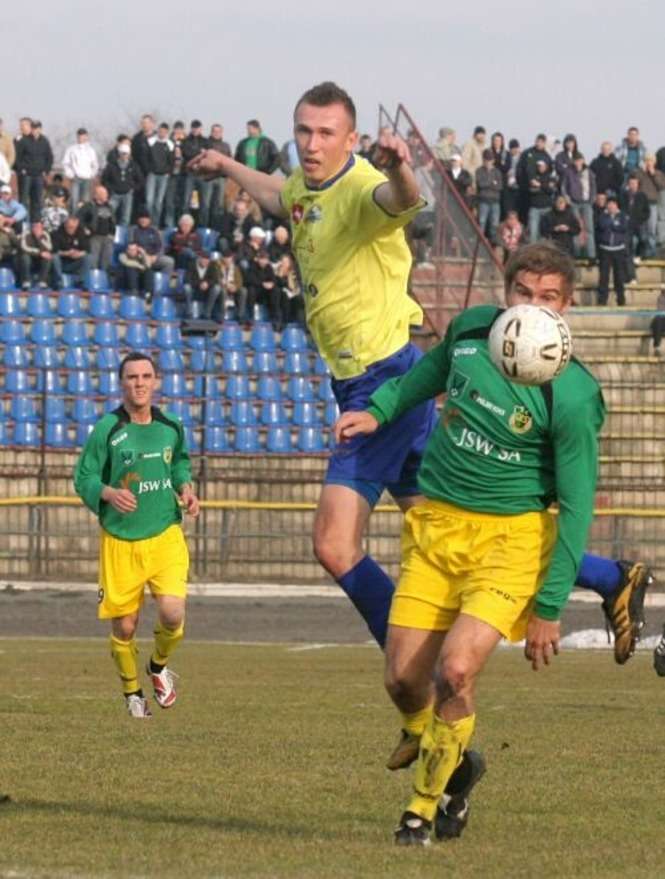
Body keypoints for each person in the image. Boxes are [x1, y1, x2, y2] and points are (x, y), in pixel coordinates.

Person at [189, 82, 651, 786]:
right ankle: (609, 575)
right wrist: (226, 165)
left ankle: (417, 683)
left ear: (350, 140)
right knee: (451, 530)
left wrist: (402, 166)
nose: (311, 144)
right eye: (303, 131)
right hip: (371, 378)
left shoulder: (362, 188)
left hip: (382, 381)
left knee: (333, 543)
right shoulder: (308, 188)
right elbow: (282, 196)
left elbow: (401, 201)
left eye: (325, 133)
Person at [332, 243, 644, 845]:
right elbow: (427, 372)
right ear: (506, 293)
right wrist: (379, 410)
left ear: (567, 306)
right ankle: (455, 767)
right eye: (523, 292)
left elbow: (576, 509)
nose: (532, 306)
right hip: (436, 531)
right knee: (402, 681)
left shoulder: (573, 395)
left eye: (547, 297)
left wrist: (549, 607)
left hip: (510, 544)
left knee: (455, 670)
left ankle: (421, 810)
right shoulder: (474, 329)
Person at [73, 352, 200, 718]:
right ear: (122, 383)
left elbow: (180, 463)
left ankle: (158, 667)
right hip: (121, 541)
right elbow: (84, 477)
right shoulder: (107, 429)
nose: (139, 383)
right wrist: (108, 493)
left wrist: (186, 488)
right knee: (125, 626)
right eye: (132, 377)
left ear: (156, 381)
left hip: (164, 534)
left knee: (173, 613)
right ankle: (133, 694)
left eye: (146, 376)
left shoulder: (171, 425)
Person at [14, 120, 53, 221]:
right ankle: (23, 222)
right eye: (33, 128)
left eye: (37, 128)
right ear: (31, 129)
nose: (35, 130)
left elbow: (49, 157)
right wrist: (21, 169)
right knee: (24, 200)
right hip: (26, 175)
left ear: (40, 129)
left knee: (37, 200)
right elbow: (17, 157)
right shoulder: (24, 140)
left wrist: (46, 170)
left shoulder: (44, 141)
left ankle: (36, 222)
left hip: (39, 175)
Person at [561, 154, 597, 260]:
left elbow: (593, 186)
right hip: (574, 203)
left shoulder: (589, 172)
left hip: (586, 203)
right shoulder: (569, 172)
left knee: (589, 229)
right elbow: (563, 187)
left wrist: (591, 200)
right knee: (576, 228)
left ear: (583, 161)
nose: (577, 163)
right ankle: (576, 254)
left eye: (579, 160)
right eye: (576, 161)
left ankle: (591, 255)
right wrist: (567, 198)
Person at [102, 142, 144, 227]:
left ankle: (123, 233)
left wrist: (133, 188)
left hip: (128, 194)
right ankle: (109, 229)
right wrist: (111, 188)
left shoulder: (134, 165)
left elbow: (140, 179)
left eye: (126, 154)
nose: (124, 156)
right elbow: (105, 179)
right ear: (119, 154)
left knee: (126, 217)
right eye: (122, 153)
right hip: (114, 194)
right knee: (108, 214)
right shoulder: (112, 165)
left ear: (129, 154)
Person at [596, 196, 628, 305]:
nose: (611, 206)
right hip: (605, 250)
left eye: (613, 204)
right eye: (609, 204)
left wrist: (613, 225)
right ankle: (602, 300)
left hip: (619, 250)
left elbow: (623, 228)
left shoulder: (622, 216)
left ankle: (621, 300)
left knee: (619, 276)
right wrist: (613, 223)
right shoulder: (602, 216)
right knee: (603, 277)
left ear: (616, 205)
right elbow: (602, 226)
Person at [78, 185, 116, 272]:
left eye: (106, 193)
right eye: (104, 194)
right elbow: (79, 219)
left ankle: (104, 276)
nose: (106, 195)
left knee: (106, 260)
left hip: (107, 237)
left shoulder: (109, 207)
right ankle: (93, 275)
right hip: (94, 236)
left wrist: (112, 234)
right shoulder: (89, 206)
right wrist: (85, 228)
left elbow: (113, 221)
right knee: (93, 260)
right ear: (97, 195)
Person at [62, 128, 99, 211]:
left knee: (85, 201)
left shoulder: (91, 150)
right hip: (76, 178)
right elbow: (65, 163)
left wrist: (92, 174)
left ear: (87, 137)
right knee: (74, 200)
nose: (82, 138)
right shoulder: (71, 149)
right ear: (77, 137)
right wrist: (70, 174)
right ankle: (74, 217)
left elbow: (95, 164)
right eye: (80, 136)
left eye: (83, 136)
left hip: (87, 179)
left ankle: (84, 217)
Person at [145, 123, 175, 226]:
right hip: (152, 174)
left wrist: (168, 172)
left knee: (159, 202)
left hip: (164, 176)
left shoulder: (170, 144)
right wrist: (149, 169)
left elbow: (172, 161)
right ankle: (147, 223)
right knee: (149, 200)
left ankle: (155, 225)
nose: (162, 133)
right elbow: (146, 157)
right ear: (158, 131)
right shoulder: (151, 141)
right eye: (160, 131)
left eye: (164, 132)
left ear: (167, 132)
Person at [51, 214, 91, 290]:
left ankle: (80, 281)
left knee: (88, 257)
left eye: (74, 227)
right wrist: (66, 253)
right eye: (70, 227)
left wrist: (79, 254)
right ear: (65, 224)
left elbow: (87, 249)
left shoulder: (80, 232)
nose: (72, 229)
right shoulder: (57, 233)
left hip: (74, 262)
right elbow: (54, 251)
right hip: (62, 263)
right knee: (54, 257)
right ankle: (59, 282)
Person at [183, 249, 223, 319]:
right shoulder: (192, 264)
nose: (206, 262)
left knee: (217, 288)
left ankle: (207, 313)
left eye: (207, 260)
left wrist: (207, 283)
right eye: (204, 259)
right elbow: (186, 279)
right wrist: (199, 284)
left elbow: (215, 279)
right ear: (199, 258)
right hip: (194, 288)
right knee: (186, 287)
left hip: (207, 289)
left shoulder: (212, 265)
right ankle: (188, 312)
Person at [474, 149, 502, 243]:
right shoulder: (479, 171)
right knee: (482, 222)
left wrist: (488, 183)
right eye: (486, 159)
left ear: (493, 160)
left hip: (495, 201)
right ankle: (479, 242)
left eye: (489, 160)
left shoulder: (497, 172)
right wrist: (492, 182)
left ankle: (493, 243)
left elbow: (499, 186)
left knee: (494, 223)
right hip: (483, 201)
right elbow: (480, 184)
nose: (488, 162)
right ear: (483, 160)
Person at [19, 220, 53, 289]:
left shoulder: (45, 234)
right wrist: (39, 253)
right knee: (25, 257)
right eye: (35, 227)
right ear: (32, 227)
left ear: (42, 228)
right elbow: (24, 248)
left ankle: (42, 281)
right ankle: (26, 281)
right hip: (30, 259)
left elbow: (49, 248)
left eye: (39, 227)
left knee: (48, 256)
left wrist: (40, 239)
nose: (37, 229)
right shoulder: (26, 234)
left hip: (40, 260)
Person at [650, 288, 665, 358]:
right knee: (658, 320)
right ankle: (657, 348)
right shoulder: (661, 297)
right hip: (662, 320)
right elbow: (661, 311)